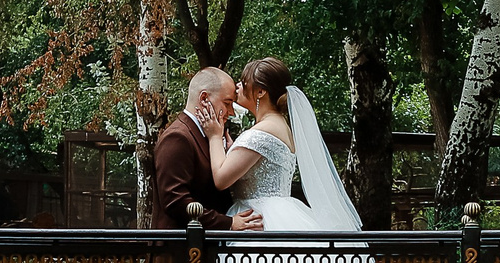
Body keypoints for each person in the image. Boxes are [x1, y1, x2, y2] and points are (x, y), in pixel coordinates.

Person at [198, 58, 362, 233]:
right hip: (282, 213)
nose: (238, 86)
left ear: (260, 91)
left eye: (244, 83)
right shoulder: (280, 125)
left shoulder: (261, 132)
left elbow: (221, 180)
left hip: (259, 220)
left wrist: (215, 136)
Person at [153, 68, 266, 232]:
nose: (231, 112)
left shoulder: (209, 134)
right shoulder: (178, 137)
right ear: (204, 98)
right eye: (227, 103)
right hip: (179, 251)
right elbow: (175, 200)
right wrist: (228, 223)